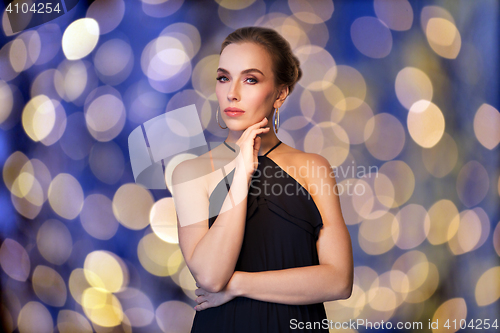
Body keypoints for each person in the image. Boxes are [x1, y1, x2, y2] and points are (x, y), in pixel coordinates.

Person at [172, 26, 353, 333]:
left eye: (250, 79)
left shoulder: (314, 168)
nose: (232, 93)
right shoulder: (191, 173)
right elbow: (211, 277)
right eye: (223, 78)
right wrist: (241, 172)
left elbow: (339, 281)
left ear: (280, 93)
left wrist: (237, 285)